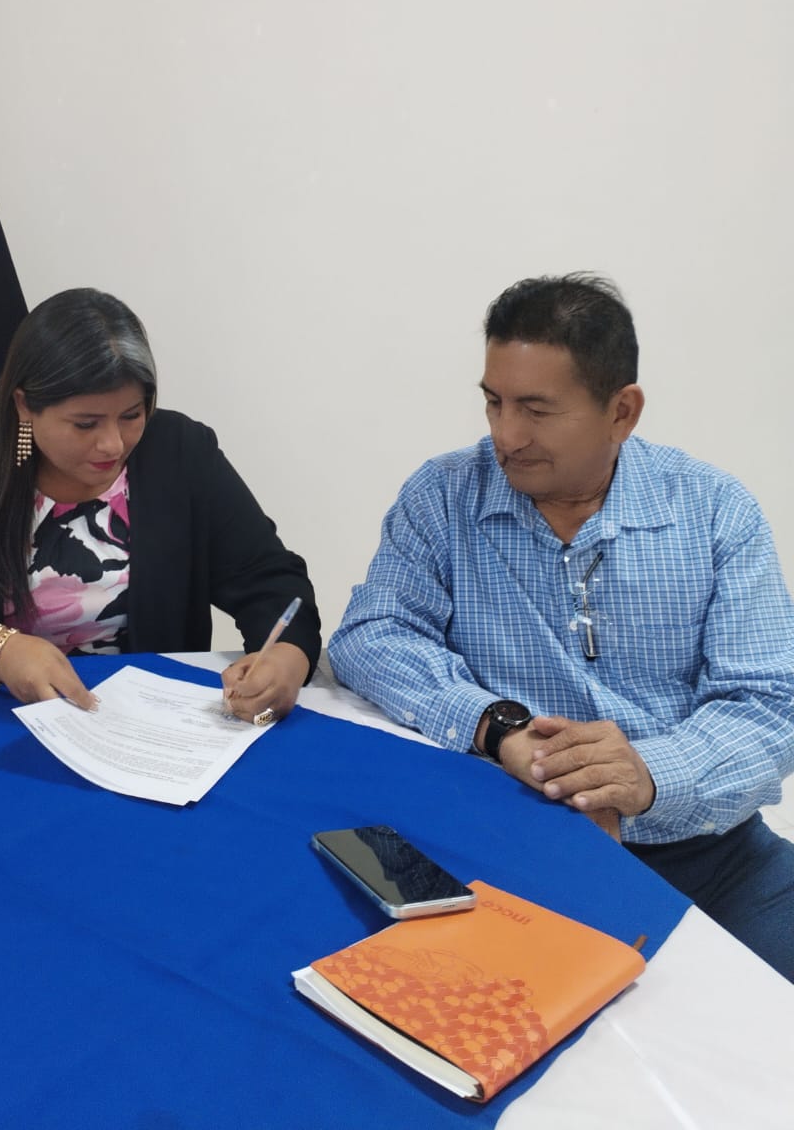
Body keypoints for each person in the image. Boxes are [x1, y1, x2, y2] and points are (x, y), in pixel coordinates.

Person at [329, 273, 794, 980]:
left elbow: (770, 704)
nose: (505, 435)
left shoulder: (714, 511)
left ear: (621, 411)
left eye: (537, 410)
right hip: (506, 841)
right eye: (494, 401)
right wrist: (500, 726)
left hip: (709, 853)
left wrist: (643, 777)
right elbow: (372, 633)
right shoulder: (445, 494)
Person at [0, 287, 319, 723]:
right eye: (85, 424)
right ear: (25, 406)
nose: (113, 444)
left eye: (131, 415)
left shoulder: (180, 452)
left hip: (148, 726)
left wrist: (286, 659)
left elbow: (270, 580)